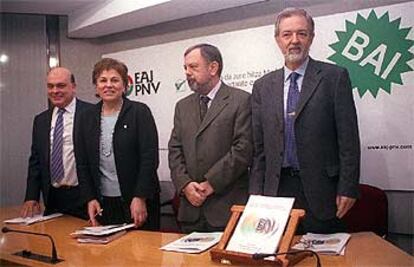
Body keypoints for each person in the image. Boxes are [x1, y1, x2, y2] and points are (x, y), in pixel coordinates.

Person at [249, 8, 360, 234]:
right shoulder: (263, 86)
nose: (294, 40)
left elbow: (348, 140)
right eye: (287, 34)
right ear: (278, 40)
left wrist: (348, 188)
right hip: (276, 193)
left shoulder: (334, 77)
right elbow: (259, 149)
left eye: (302, 33)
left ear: (311, 37)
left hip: (322, 192)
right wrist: (255, 193)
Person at [168, 43, 252, 233]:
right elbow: (175, 150)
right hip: (191, 211)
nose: (188, 72)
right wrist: (185, 185)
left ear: (213, 68)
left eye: (193, 67)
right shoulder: (182, 106)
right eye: (185, 67)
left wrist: (210, 184)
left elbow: (243, 149)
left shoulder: (241, 100)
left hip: (226, 208)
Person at [77, 58, 160, 230]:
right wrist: (90, 198)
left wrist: (140, 196)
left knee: (141, 253)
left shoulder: (139, 112)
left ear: (124, 85)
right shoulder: (86, 117)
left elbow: (149, 158)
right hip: (103, 203)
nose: (108, 85)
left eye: (115, 80)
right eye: (103, 80)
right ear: (96, 86)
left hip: (137, 202)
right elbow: (82, 163)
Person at [21, 67, 93, 219]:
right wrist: (31, 196)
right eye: (50, 86)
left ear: (73, 87)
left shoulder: (92, 114)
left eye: (61, 86)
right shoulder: (41, 120)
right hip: (53, 198)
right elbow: (35, 161)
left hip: (84, 197)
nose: (55, 91)